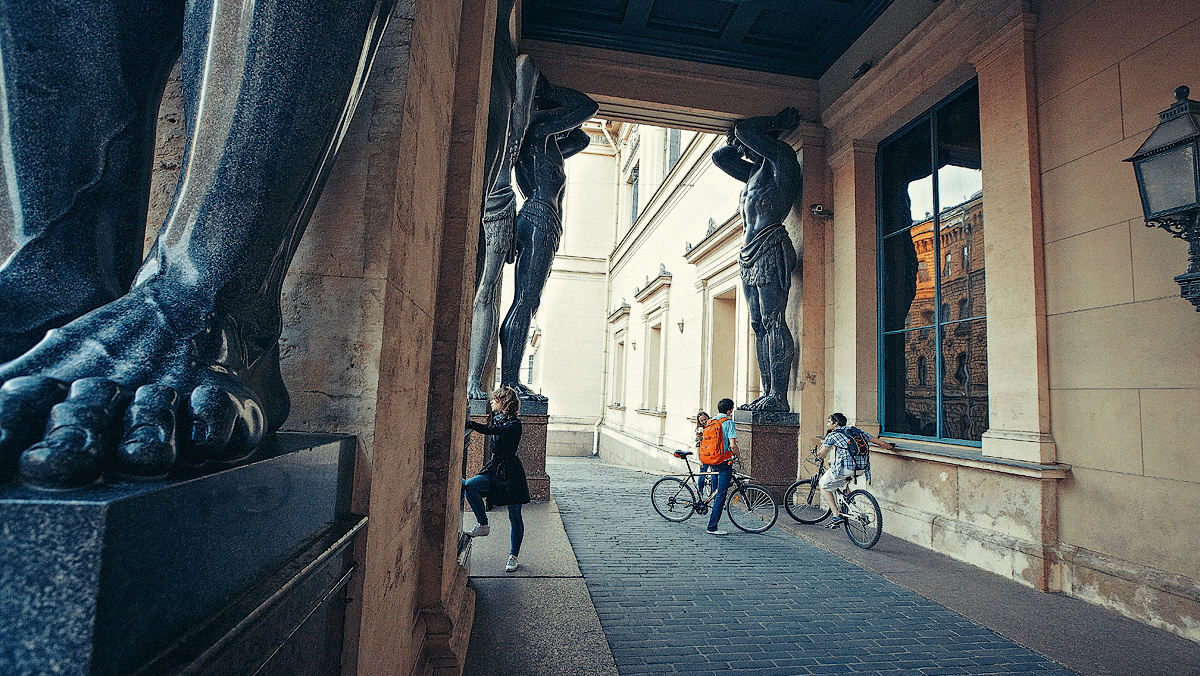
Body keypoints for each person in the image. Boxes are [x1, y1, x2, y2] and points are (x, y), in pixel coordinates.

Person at [497, 76, 598, 400]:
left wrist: (560, 118)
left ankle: (512, 378)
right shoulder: (538, 133)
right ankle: (510, 381)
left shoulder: (549, 146)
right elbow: (587, 107)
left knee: (530, 302)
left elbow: (580, 138)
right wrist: (548, 93)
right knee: (525, 301)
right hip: (538, 216)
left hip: (544, 221)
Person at [711, 108, 802, 412]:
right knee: (757, 324)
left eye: (743, 145)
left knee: (773, 320)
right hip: (748, 255)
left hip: (770, 244)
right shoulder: (752, 173)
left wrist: (774, 122)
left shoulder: (781, 160)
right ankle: (768, 392)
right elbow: (720, 158)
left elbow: (746, 131)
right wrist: (735, 141)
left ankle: (779, 396)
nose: (740, 149)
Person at [463, 386, 531, 573]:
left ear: (502, 402)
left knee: (515, 516)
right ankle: (483, 525)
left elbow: (493, 430)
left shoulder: (513, 424)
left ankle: (513, 556)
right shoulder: (499, 418)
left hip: (510, 472)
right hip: (495, 466)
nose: (491, 403)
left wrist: (472, 424)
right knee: (469, 486)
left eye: (494, 400)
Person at [817, 412, 894, 527]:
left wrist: (818, 453)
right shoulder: (856, 431)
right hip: (861, 468)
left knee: (823, 485)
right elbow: (878, 442)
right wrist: (890, 446)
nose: (828, 425)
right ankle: (850, 501)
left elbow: (821, 455)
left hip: (847, 469)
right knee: (833, 465)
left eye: (829, 422)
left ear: (836, 423)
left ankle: (836, 515)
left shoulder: (833, 435)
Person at [698, 398, 740, 535]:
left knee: (716, 489)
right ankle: (712, 527)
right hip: (723, 461)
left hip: (710, 458)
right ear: (730, 410)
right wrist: (739, 457)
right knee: (721, 494)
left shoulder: (711, 421)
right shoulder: (728, 423)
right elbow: (733, 445)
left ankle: (710, 500)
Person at [694, 411, 712, 496]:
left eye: (705, 419)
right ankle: (700, 492)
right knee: (703, 473)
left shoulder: (713, 427)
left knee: (714, 473)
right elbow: (698, 445)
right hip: (704, 454)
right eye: (702, 421)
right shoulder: (699, 431)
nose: (704, 421)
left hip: (712, 454)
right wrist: (699, 459)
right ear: (699, 422)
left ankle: (713, 493)